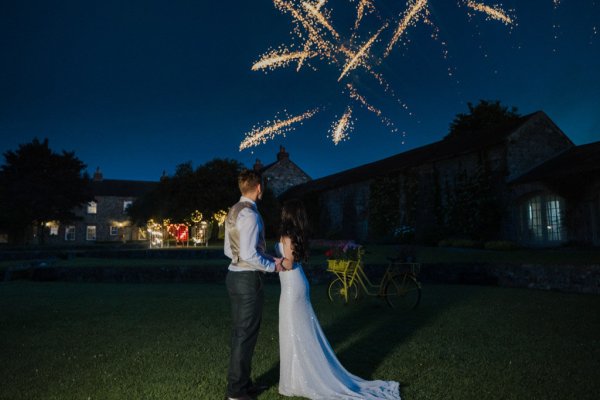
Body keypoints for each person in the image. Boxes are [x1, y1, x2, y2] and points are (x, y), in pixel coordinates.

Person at [276, 199, 400, 399]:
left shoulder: (288, 235)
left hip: (292, 286)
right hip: (295, 284)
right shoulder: (294, 234)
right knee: (294, 329)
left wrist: (272, 261)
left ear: (287, 214)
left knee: (294, 329)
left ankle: (300, 379)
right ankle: (294, 378)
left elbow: (289, 263)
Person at [224, 169, 283, 400]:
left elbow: (230, 250)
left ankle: (244, 384)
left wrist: (268, 259)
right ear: (259, 188)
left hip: (235, 276)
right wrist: (273, 267)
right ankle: (236, 391)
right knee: (245, 335)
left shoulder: (234, 211)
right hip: (248, 280)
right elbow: (249, 253)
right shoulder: (250, 215)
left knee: (242, 333)